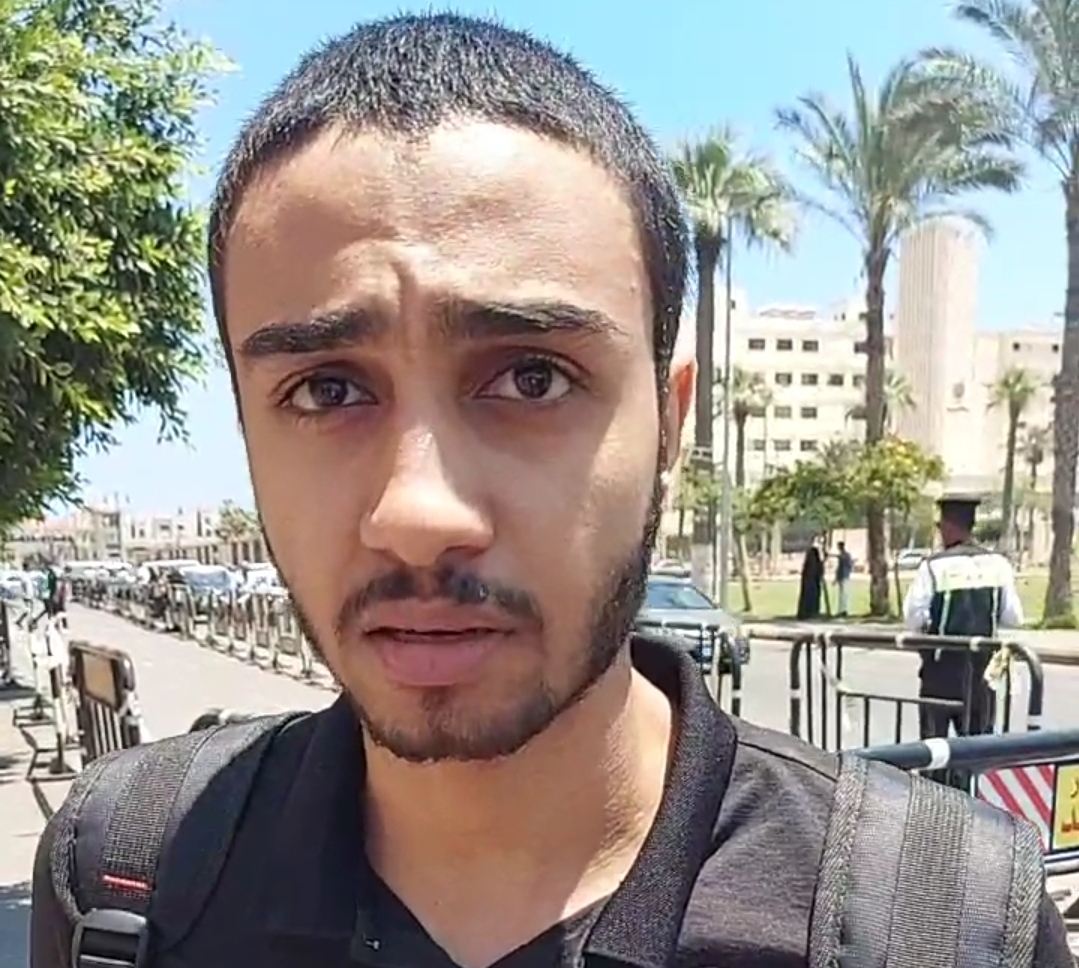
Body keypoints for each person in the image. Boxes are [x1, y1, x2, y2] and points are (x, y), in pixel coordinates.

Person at [31, 15, 1070, 968]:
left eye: (532, 378)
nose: (418, 513)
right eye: (326, 389)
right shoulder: (129, 877)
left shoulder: (947, 926)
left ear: (668, 425)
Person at [903, 494, 1024, 742]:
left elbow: (913, 617)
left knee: (933, 748)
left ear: (948, 526)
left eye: (939, 526)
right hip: (981, 671)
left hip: (940, 671)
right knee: (977, 747)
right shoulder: (998, 564)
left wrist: (929, 628)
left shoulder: (934, 566)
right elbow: (1013, 617)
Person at [796, 543, 824, 619]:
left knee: (808, 597)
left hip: (809, 582)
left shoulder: (810, 561)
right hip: (812, 582)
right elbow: (819, 571)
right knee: (811, 597)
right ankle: (810, 612)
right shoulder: (814, 561)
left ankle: (807, 612)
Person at [834, 540, 853, 617]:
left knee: (843, 594)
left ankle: (843, 610)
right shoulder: (844, 555)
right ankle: (842, 610)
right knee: (842, 594)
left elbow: (843, 563)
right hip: (843, 576)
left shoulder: (844, 555)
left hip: (844, 576)